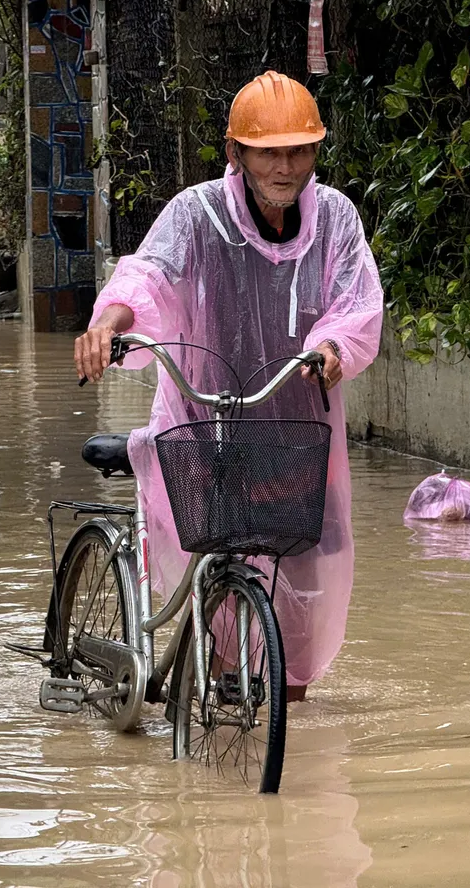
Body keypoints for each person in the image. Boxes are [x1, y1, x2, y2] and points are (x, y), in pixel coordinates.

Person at [74, 71, 384, 701]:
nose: (284, 167)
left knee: (307, 584)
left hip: (298, 432)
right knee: (217, 569)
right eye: (268, 153)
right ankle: (213, 683)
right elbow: (149, 277)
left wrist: (331, 350)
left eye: (298, 151)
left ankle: (283, 721)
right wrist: (107, 326)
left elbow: (355, 304)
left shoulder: (337, 219)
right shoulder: (196, 214)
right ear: (235, 153)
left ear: (316, 151)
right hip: (206, 423)